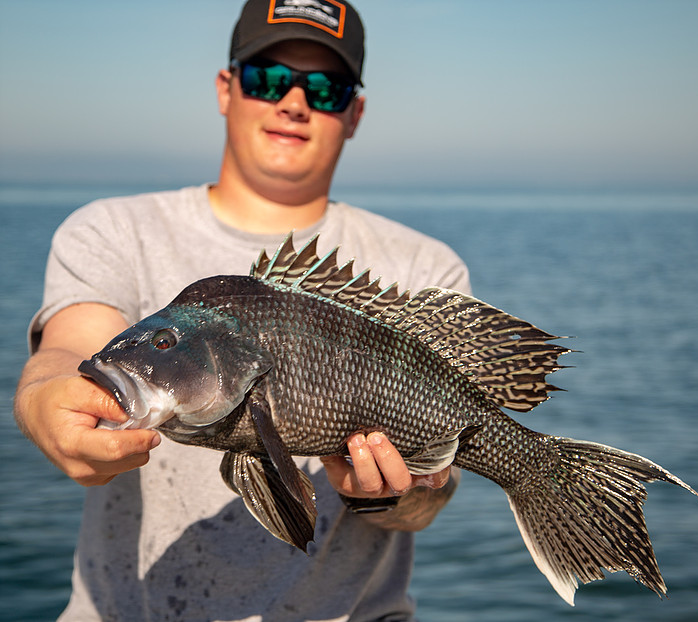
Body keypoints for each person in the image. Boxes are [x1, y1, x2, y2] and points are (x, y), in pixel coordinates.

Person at [14, 1, 472, 620]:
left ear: (354, 112)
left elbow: (428, 504)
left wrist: (391, 495)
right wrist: (44, 397)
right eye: (266, 77)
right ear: (227, 89)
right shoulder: (112, 229)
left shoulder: (424, 271)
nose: (292, 102)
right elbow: (72, 347)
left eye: (326, 88)